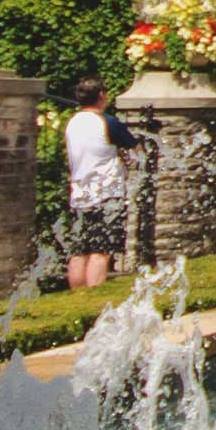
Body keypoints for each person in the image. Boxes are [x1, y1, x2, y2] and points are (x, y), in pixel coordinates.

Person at [62, 76, 137, 291]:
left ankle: (76, 299)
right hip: (106, 195)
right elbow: (134, 148)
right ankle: (94, 299)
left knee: (78, 252)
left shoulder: (72, 123)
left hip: (78, 195)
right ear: (101, 96)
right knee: (100, 252)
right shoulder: (107, 122)